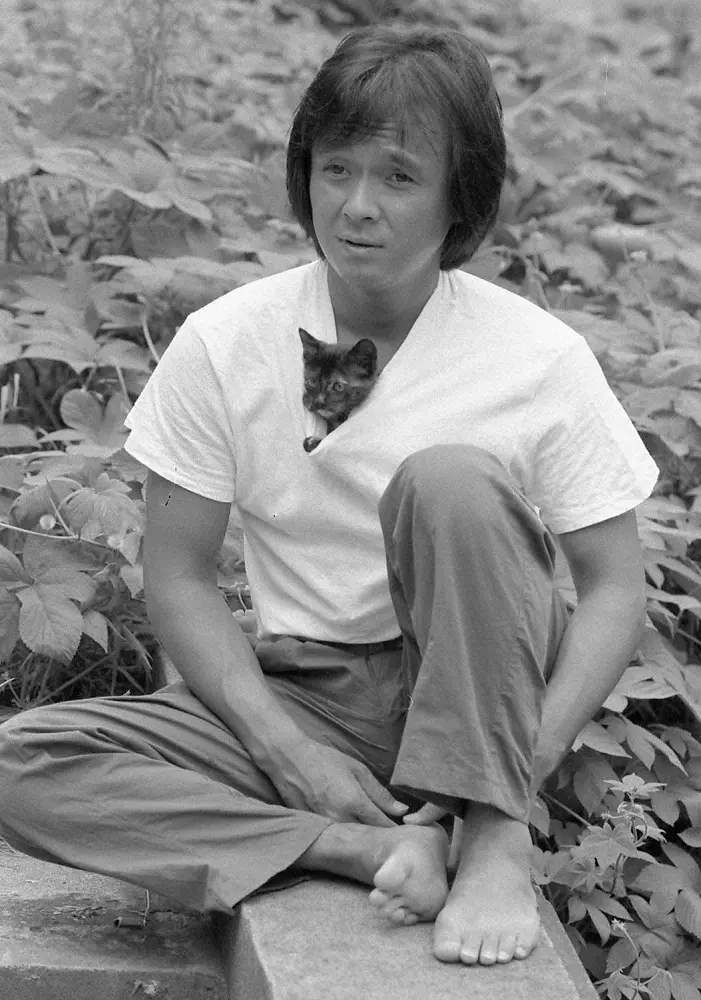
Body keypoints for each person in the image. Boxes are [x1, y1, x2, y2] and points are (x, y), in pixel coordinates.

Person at [0, 22, 658, 969]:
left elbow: (613, 589)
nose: (357, 206)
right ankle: (364, 847)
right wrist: (287, 751)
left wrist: (520, 768)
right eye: (335, 168)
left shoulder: (535, 358)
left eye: (399, 177)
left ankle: (489, 835)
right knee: (22, 761)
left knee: (449, 477)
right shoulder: (227, 341)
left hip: (476, 689)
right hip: (303, 694)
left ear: (459, 198)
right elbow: (178, 576)